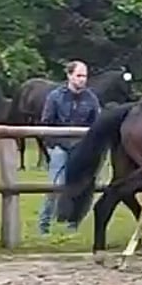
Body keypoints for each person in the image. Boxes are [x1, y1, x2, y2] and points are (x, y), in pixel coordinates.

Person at [38, 60, 101, 235]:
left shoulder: (91, 98)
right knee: (55, 186)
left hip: (81, 148)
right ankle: (44, 225)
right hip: (60, 146)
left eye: (85, 76)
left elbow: (97, 124)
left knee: (83, 186)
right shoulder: (55, 96)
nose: (82, 80)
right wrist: (52, 145)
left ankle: (73, 223)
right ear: (69, 76)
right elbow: (46, 123)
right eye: (79, 75)